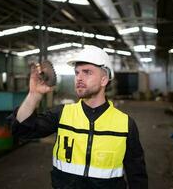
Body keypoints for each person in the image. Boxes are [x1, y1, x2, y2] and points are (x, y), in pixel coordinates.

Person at [10, 45, 148, 189]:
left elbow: (137, 176)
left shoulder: (125, 124)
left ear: (104, 80)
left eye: (87, 72)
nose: (79, 78)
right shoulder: (62, 114)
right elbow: (21, 129)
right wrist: (34, 95)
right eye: (77, 73)